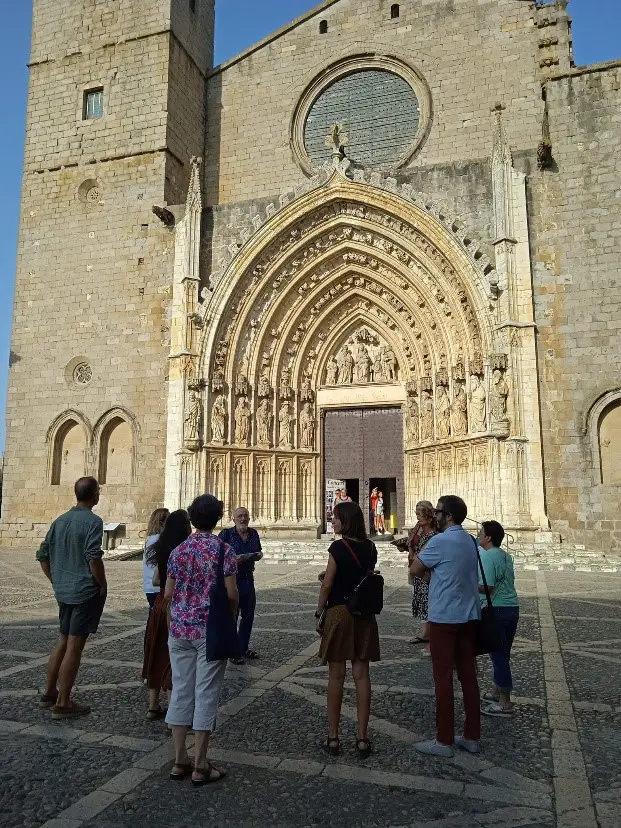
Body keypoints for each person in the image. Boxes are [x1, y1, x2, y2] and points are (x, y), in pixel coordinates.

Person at [164, 494, 238, 786]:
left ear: (192, 518)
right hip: (210, 631)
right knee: (206, 693)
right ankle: (200, 764)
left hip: (180, 630)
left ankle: (179, 759)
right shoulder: (224, 550)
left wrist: (173, 622)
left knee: (181, 690)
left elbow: (168, 594)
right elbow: (231, 594)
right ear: (218, 518)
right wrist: (230, 618)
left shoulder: (178, 551)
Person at [410, 495, 481, 758]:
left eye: (439, 512)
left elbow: (415, 569)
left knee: (442, 679)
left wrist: (428, 572)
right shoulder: (471, 541)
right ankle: (472, 736)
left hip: (444, 618)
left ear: (448, 516)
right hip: (469, 617)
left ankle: (443, 741)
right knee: (468, 677)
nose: (435, 515)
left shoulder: (439, 541)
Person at [36, 477, 107, 720]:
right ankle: (63, 702)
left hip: (64, 591)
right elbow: (93, 557)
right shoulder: (93, 522)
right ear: (94, 495)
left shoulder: (60, 520)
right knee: (75, 644)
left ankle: (49, 692)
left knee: (63, 639)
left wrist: (56, 580)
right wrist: (101, 583)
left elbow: (42, 555)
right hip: (83, 591)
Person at [315, 501, 380, 759]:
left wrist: (319, 612)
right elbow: (365, 575)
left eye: (336, 518)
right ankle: (362, 738)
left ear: (347, 521)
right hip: (364, 615)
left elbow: (328, 584)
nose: (332, 521)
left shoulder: (338, 547)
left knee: (336, 676)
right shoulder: (371, 547)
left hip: (340, 614)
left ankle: (333, 738)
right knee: (362, 676)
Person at [142, 510, 191, 720]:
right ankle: (174, 711)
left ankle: (153, 706)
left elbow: (155, 580)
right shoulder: (183, 551)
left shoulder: (161, 548)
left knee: (155, 653)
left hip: (159, 605)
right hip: (175, 606)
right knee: (174, 656)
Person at [477, 520, 519, 717]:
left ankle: (505, 702)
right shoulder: (505, 555)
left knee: (498, 655)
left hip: (497, 610)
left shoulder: (487, 556)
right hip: (512, 608)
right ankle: (496, 691)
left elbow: (488, 586)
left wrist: (466, 583)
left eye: (481, 533)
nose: (478, 535)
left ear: (488, 537)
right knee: (503, 652)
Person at [219, 507, 263, 665]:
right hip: (232, 579)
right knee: (232, 615)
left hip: (248, 579)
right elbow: (217, 556)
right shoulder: (226, 534)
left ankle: (242, 648)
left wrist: (256, 555)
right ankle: (232, 650)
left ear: (249, 518)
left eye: (245, 516)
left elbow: (258, 551)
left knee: (248, 615)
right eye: (240, 516)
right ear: (233, 519)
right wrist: (233, 560)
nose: (243, 519)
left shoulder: (253, 534)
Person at [407, 501, 437, 648]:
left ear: (428, 515)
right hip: (417, 567)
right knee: (420, 597)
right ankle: (425, 631)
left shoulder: (434, 534)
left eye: (420, 512)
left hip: (426, 569)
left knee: (427, 599)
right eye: (416, 512)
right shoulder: (418, 529)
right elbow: (412, 545)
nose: (417, 515)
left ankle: (427, 632)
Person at [143, 508, 169, 610]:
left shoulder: (150, 538)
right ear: (162, 522)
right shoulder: (159, 539)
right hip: (157, 586)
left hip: (149, 586)